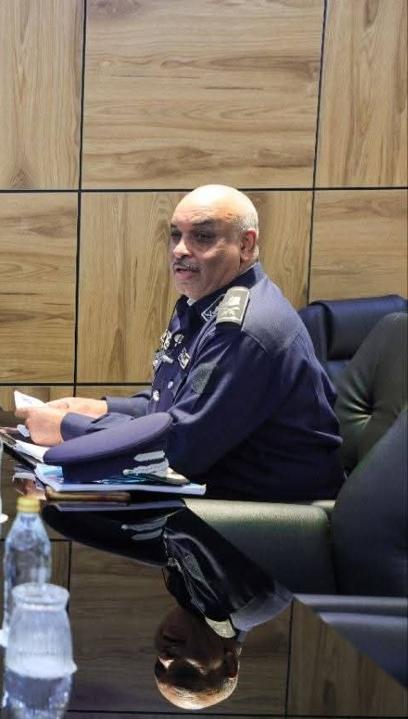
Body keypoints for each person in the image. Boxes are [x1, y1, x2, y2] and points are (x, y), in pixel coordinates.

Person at [18, 185, 343, 500]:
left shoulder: (245, 329)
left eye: (202, 237)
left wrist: (69, 428)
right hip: (219, 486)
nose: (180, 250)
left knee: (66, 510)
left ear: (245, 245)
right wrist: (100, 409)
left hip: (271, 512)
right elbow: (176, 405)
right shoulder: (205, 305)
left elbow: (178, 448)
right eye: (176, 235)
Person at [43, 505, 291, 710]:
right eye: (185, 673)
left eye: (159, 667)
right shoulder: (252, 600)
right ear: (229, 664)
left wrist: (57, 505)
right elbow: (180, 515)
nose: (165, 657)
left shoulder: (197, 604)